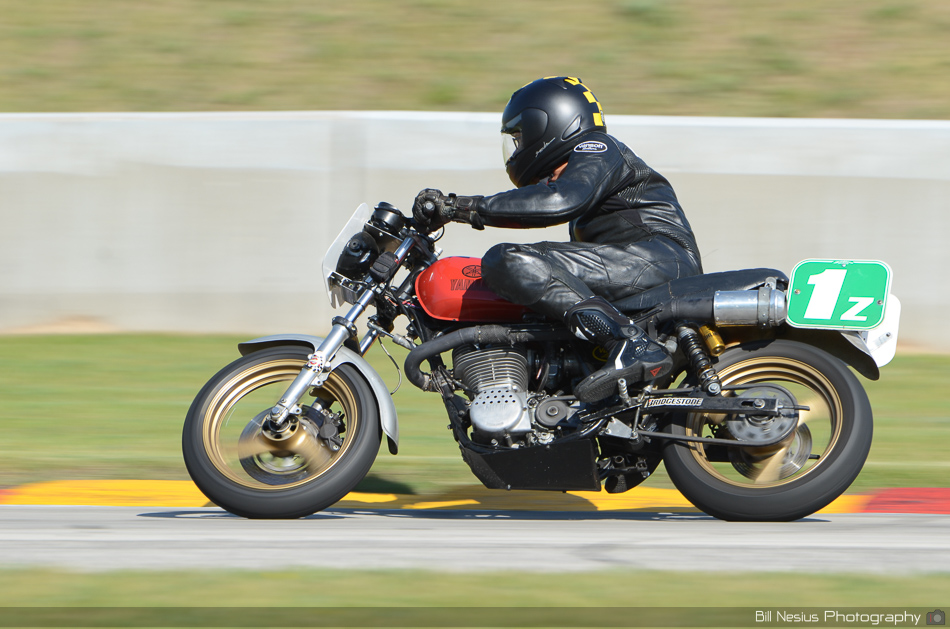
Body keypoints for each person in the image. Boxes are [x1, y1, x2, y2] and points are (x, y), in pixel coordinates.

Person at [412, 76, 702, 403]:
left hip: (656, 259)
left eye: (520, 137)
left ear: (549, 124)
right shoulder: (586, 166)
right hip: (642, 262)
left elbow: (558, 201)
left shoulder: (596, 148)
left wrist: (460, 207)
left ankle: (630, 343)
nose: (518, 148)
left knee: (507, 261)